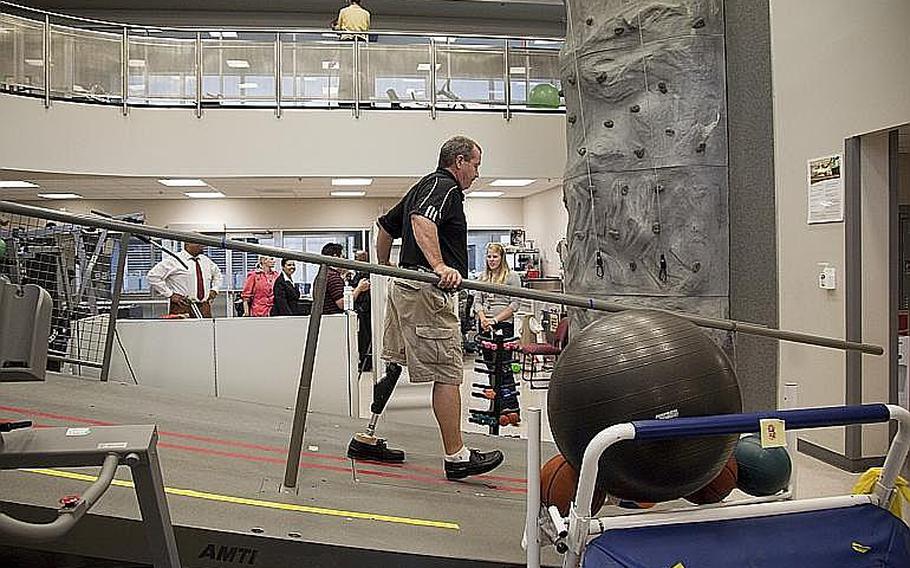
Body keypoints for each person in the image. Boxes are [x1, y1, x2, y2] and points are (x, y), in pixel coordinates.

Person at [349, 135, 504, 480]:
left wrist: (386, 266)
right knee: (449, 371)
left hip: (406, 287)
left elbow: (386, 227)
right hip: (426, 290)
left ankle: (367, 436)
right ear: (460, 161)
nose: (477, 173)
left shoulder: (422, 185)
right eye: (476, 165)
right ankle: (457, 457)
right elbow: (421, 220)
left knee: (394, 363)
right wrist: (438, 266)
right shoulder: (444, 185)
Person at [148, 242, 222, 318]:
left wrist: (214, 289)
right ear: (188, 244)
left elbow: (218, 275)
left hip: (204, 307)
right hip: (182, 306)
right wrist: (170, 294)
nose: (202, 245)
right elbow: (153, 276)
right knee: (183, 330)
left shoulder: (206, 261)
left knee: (207, 329)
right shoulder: (174, 260)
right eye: (198, 243)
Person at [321, 242, 370, 315]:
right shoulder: (333, 277)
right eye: (343, 257)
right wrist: (359, 288)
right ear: (335, 257)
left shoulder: (325, 274)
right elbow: (343, 304)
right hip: (334, 319)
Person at [350, 250, 373, 372]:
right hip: (362, 310)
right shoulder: (359, 272)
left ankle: (367, 363)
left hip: (365, 311)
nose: (355, 259)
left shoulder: (365, 273)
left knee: (365, 338)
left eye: (357, 257)